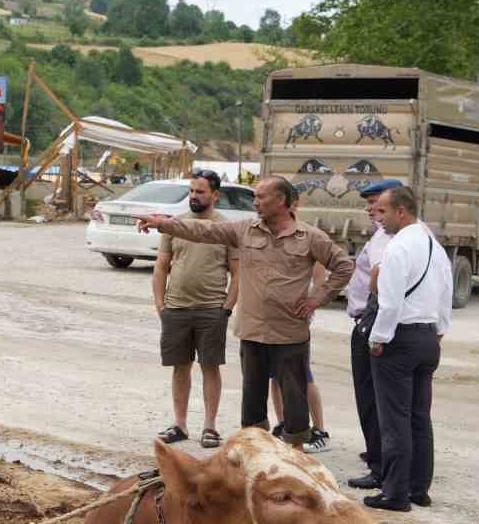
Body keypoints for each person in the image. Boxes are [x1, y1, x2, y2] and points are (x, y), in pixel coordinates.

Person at [139, 177, 352, 448]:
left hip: (290, 333)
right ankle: (256, 450)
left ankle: (296, 451)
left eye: (262, 197)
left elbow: (344, 266)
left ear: (282, 201)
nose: (255, 202)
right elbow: (202, 231)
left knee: (294, 397)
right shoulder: (244, 230)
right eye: (255, 196)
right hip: (252, 332)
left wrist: (316, 298)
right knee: (252, 398)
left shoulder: (310, 237)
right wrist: (162, 223)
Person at [364, 187, 452, 512]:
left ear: (402, 211)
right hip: (428, 337)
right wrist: (439, 330)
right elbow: (446, 292)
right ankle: (418, 488)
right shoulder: (433, 244)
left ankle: (395, 493)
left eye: (383, 212)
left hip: (399, 338)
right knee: (419, 416)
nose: (379, 217)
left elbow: (390, 302)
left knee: (394, 419)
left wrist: (378, 339)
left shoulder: (398, 247)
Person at [152, 169, 239, 448]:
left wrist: (227, 307)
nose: (194, 196)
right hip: (176, 309)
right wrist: (161, 304)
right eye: (191, 191)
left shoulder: (226, 229)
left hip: (212, 309)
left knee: (210, 367)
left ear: (215, 195)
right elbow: (161, 266)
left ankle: (210, 427)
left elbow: (238, 273)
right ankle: (179, 424)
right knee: (180, 367)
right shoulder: (174, 225)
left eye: (200, 192)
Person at [343, 179, 403, 490]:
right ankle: (382, 458)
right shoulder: (409, 236)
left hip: (371, 320)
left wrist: (371, 315)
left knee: (371, 399)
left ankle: (379, 466)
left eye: (376, 203)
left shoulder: (386, 237)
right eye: (368, 204)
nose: (370, 209)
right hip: (377, 319)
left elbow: (379, 275)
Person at [270, 262, 330, 453]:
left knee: (303, 375)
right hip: (271, 316)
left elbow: (320, 280)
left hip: (296, 318)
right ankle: (282, 425)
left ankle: (320, 430)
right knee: (274, 375)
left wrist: (310, 305)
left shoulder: (309, 239)